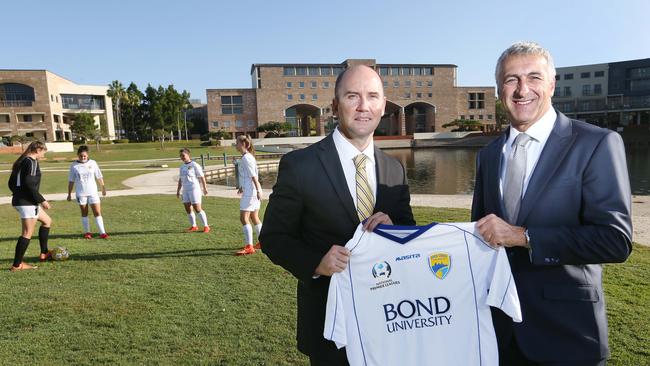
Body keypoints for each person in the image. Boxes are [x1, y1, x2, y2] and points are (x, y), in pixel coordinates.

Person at [471, 41, 632, 366]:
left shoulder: (596, 144)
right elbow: (479, 238)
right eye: (511, 79)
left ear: (552, 84)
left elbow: (616, 241)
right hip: (501, 334)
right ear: (499, 88)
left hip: (567, 335)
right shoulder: (488, 156)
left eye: (534, 77)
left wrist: (524, 236)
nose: (522, 90)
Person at [260, 65, 415, 365]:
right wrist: (316, 262)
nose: (363, 106)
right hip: (329, 329)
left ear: (383, 106)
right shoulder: (300, 165)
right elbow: (274, 238)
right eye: (352, 96)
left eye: (372, 96)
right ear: (334, 106)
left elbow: (409, 232)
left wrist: (395, 228)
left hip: (390, 320)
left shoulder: (394, 170)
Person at [7, 141, 53, 271]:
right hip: (27, 203)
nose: (44, 154)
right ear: (38, 150)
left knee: (47, 221)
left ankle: (44, 253)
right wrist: (42, 200)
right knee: (27, 233)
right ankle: (17, 265)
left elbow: (11, 182)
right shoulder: (32, 162)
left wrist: (17, 193)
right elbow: (29, 183)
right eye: (43, 151)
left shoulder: (21, 161)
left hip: (21, 200)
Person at [67, 145, 108, 239]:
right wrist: (69, 194)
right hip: (81, 194)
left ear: (87, 155)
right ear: (78, 155)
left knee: (97, 212)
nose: (83, 157)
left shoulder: (93, 163)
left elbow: (99, 176)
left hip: (93, 192)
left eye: (84, 156)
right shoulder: (74, 165)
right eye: (81, 156)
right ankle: (87, 233)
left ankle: (103, 233)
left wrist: (103, 188)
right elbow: (71, 181)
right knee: (84, 213)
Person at [234, 134, 263, 256]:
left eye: (237, 143)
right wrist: (242, 186)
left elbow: (253, 176)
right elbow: (247, 174)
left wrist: (258, 190)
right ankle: (263, 242)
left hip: (251, 192)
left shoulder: (246, 158)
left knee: (243, 218)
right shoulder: (247, 157)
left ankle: (249, 246)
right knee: (254, 217)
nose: (236, 145)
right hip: (250, 190)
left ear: (244, 144)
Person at [176, 148, 210, 233]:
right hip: (185, 190)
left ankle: (206, 226)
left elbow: (202, 177)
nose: (182, 157)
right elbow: (180, 179)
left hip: (194, 189)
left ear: (188, 155)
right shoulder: (182, 166)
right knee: (187, 208)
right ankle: (194, 226)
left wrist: (205, 188)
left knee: (197, 208)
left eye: (183, 155)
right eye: (180, 156)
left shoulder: (195, 165)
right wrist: (178, 190)